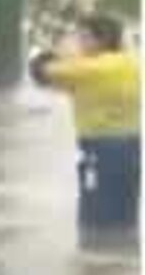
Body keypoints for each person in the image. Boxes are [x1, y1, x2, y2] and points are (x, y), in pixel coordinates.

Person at [30, 14, 139, 233]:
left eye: (83, 37)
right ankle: (120, 260)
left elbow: (40, 71)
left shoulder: (92, 69)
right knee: (123, 214)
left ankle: (95, 259)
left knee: (93, 214)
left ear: (102, 39)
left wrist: (56, 51)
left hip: (99, 151)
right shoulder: (129, 63)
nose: (79, 43)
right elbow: (61, 83)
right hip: (130, 147)